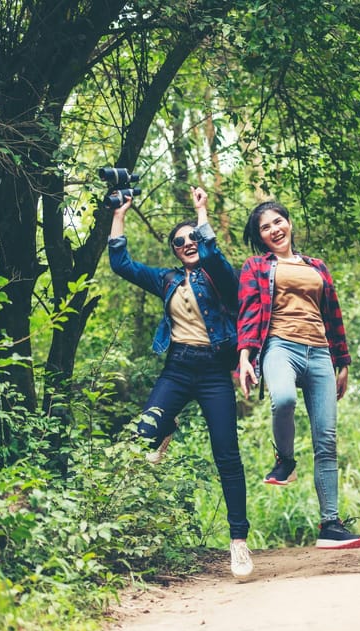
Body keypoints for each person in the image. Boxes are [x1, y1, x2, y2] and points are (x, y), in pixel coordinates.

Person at [107, 186, 253, 580]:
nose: (188, 243)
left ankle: (238, 541)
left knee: (227, 454)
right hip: (178, 367)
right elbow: (121, 264)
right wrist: (120, 212)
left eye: (192, 237)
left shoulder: (221, 277)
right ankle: (165, 425)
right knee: (141, 437)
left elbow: (215, 256)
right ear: (173, 249)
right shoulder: (167, 279)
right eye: (180, 241)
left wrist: (201, 212)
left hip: (213, 373)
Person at [236, 200, 360, 550]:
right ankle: (285, 460)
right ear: (260, 237)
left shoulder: (317, 266)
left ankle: (331, 524)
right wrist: (245, 357)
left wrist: (343, 362)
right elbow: (248, 313)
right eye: (265, 227)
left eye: (278, 222)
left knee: (327, 440)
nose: (274, 230)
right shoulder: (257, 266)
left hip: (320, 353)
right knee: (283, 399)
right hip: (280, 346)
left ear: (289, 223)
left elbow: (333, 315)